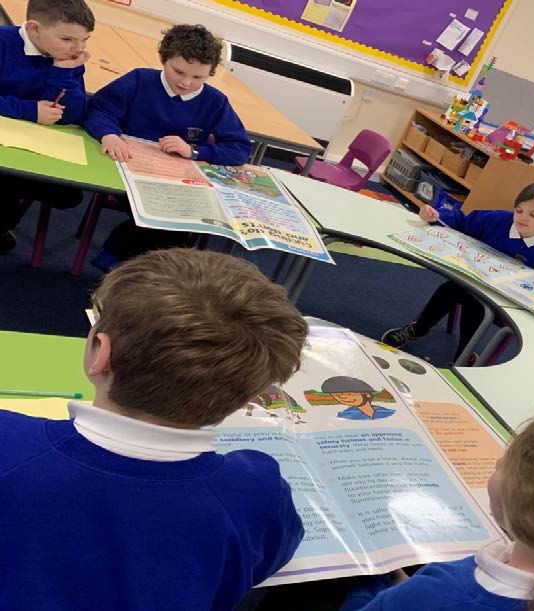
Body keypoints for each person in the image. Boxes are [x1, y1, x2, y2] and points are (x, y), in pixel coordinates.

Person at [0, 249, 308, 609]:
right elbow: (268, 555)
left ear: (100, 353)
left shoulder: (9, 443)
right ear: (250, 395)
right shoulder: (257, 492)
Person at [339, 412, 534, 611]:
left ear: (526, 513)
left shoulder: (441, 591)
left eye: (504, 464)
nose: (496, 463)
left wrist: (371, 580)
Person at [84, 24, 253, 271]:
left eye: (198, 78)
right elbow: (98, 109)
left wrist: (195, 151)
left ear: (210, 73)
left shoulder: (215, 101)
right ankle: (133, 267)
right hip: (125, 172)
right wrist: (108, 134)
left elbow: (239, 148)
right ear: (164, 59)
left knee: (177, 219)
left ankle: (120, 262)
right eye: (178, 71)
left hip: (176, 183)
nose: (186, 82)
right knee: (166, 221)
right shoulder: (139, 80)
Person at [381, 182, 534, 362]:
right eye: (519, 210)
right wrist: (435, 216)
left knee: (475, 305)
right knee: (449, 290)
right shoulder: (498, 220)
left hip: (510, 303)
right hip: (475, 284)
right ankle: (419, 329)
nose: (522, 218)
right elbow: (462, 221)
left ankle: (465, 352)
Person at [0, 0, 94, 253]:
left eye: (85, 40)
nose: (78, 49)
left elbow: (73, 114)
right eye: (67, 39)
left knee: (67, 195)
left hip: (33, 144)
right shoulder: (3, 43)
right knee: (7, 185)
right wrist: (29, 110)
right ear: (34, 28)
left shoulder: (68, 59)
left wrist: (63, 72)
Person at [322, 375, 396, 420]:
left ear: (367, 394)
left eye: (349, 394)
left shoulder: (387, 412)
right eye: (338, 397)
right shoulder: (344, 415)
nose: (344, 398)